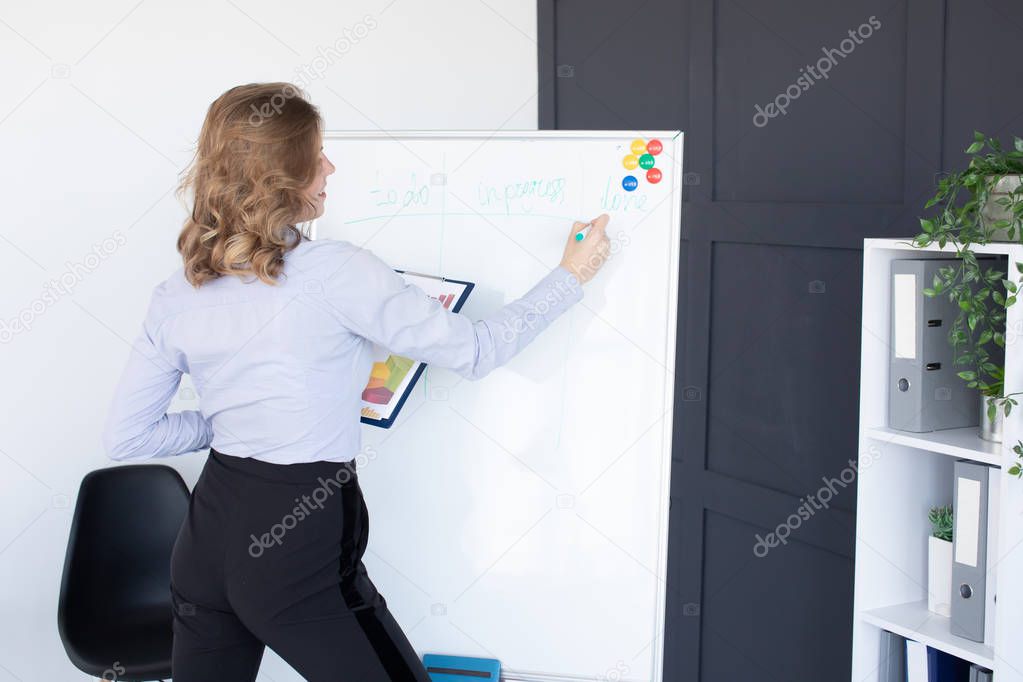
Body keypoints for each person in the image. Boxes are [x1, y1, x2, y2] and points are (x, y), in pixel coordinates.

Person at [101, 82, 610, 682]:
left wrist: (228, 418)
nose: (330, 167)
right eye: (317, 156)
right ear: (282, 178)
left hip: (205, 544)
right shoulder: (338, 271)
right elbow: (476, 351)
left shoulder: (177, 292)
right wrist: (570, 276)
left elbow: (127, 438)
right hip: (295, 541)